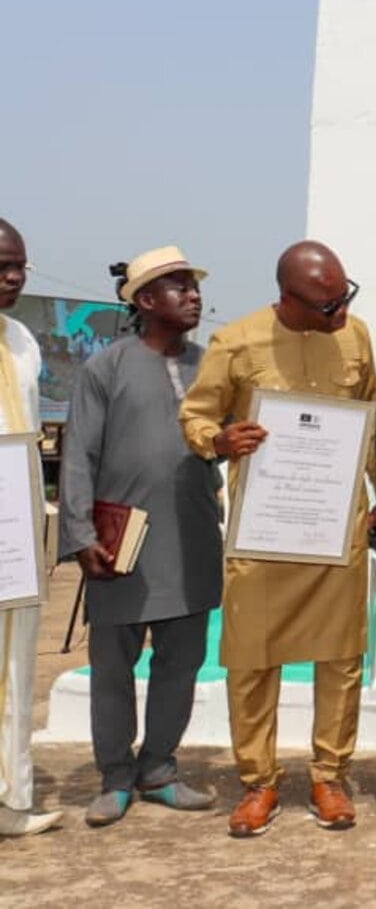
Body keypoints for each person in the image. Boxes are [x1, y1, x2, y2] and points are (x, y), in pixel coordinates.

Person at [179, 240, 376, 837]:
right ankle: (258, 783)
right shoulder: (236, 342)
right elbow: (196, 414)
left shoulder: (357, 336)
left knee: (341, 656)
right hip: (264, 527)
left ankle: (329, 776)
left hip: (336, 524)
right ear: (289, 299)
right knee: (251, 658)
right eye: (327, 304)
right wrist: (219, 441)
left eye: (346, 296)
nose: (340, 310)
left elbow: (369, 418)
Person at [60, 246, 223, 827]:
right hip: (120, 545)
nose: (194, 295)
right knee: (111, 668)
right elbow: (77, 455)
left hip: (194, 539)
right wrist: (81, 536)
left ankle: (158, 769)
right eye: (179, 287)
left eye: (195, 286)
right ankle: (114, 776)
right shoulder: (106, 367)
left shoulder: (211, 366)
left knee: (182, 664)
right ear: (146, 300)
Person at [0, 218, 63, 837]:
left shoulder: (22, 340)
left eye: (19, 266)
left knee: (17, 666)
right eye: (1, 267)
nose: (13, 277)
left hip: (12, 534)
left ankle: (11, 799)